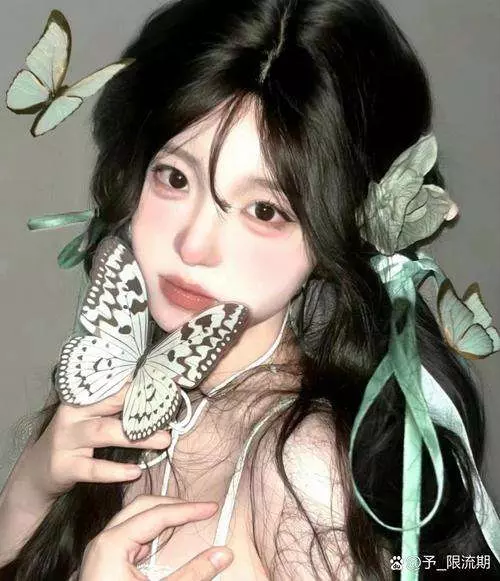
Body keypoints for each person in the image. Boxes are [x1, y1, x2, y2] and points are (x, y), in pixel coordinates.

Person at [0, 0, 499, 579]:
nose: (194, 245)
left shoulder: (305, 470)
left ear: (337, 236)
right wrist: (28, 492)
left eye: (264, 210)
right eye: (175, 177)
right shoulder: (111, 397)